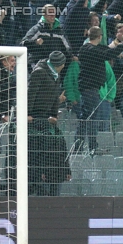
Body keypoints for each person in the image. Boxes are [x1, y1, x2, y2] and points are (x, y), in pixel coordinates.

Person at [74, 26, 123, 152]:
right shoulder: (89, 49)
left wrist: (118, 44)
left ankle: (83, 145)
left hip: (92, 89)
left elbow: (107, 49)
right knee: (90, 117)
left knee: (87, 117)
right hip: (89, 89)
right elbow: (108, 53)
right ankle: (89, 146)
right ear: (100, 37)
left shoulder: (89, 48)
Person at [27, 51, 71, 196]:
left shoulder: (54, 76)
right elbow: (31, 94)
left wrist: (55, 110)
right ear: (62, 65)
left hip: (47, 119)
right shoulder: (39, 72)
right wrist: (28, 115)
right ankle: (39, 185)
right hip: (36, 119)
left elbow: (50, 98)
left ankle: (49, 186)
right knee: (39, 151)